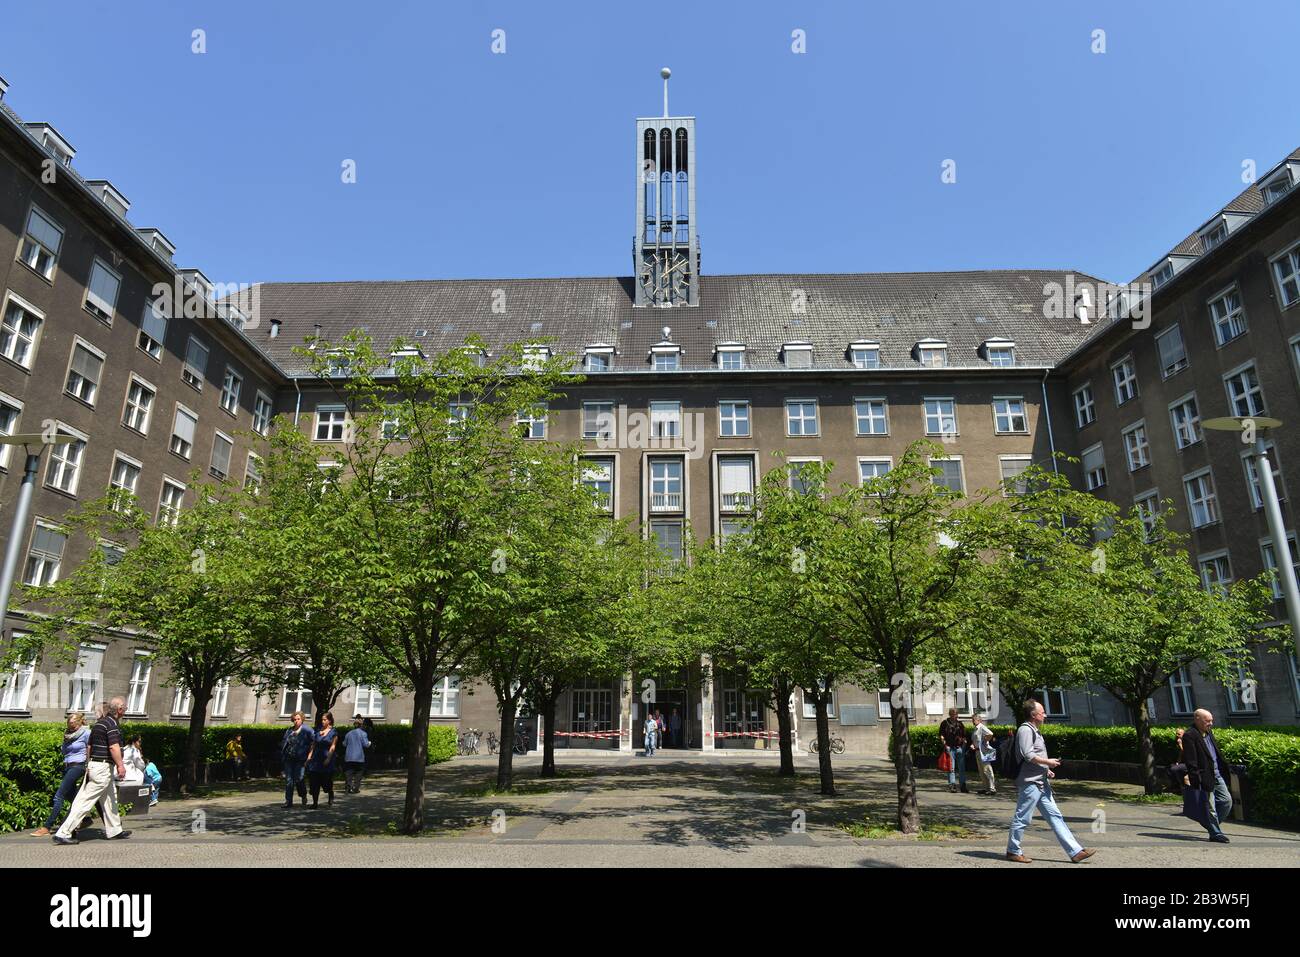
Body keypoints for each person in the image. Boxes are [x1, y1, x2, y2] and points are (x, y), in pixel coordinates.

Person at [1005, 698, 1095, 864]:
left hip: (1040, 782)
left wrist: (1046, 770)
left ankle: (1075, 851)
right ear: (1033, 715)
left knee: (1055, 816)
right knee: (1022, 817)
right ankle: (1012, 850)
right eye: (1042, 712)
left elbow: (1034, 756)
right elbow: (1028, 754)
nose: (1045, 714)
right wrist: (1048, 762)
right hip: (1030, 783)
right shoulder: (1026, 730)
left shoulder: (1035, 730)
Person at [52, 697, 131, 845]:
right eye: (125, 708)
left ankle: (115, 830)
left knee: (110, 800)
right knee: (85, 802)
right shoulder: (111, 724)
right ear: (119, 710)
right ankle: (64, 832)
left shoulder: (99, 724)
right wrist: (121, 765)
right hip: (103, 768)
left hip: (96, 766)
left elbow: (89, 747)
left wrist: (89, 765)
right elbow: (113, 747)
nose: (125, 711)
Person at [33, 713, 90, 837]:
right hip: (67, 766)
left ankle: (47, 827)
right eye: (69, 725)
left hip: (78, 766)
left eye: (74, 726)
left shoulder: (86, 733)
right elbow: (64, 751)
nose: (71, 728)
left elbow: (89, 748)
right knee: (73, 798)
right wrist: (66, 741)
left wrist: (88, 765)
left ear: (80, 723)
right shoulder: (68, 735)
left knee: (59, 796)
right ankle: (85, 819)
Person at [1182, 708, 1233, 843]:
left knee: (1226, 801)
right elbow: (1191, 760)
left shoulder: (1208, 732)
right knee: (1210, 808)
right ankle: (1215, 833)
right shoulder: (1190, 735)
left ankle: (1210, 824)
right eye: (1207, 721)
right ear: (1197, 719)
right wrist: (1195, 780)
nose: (1210, 723)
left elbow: (1215, 753)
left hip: (1217, 774)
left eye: (1211, 720)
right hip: (1204, 777)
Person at [281, 710, 313, 809]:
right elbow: (284, 743)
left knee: (299, 778)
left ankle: (303, 795)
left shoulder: (307, 730)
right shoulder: (289, 730)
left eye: (298, 719)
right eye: (294, 719)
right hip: (289, 759)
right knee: (289, 780)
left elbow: (313, 743)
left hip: (301, 759)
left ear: (302, 719)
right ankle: (288, 801)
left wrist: (309, 757)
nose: (296, 721)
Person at [306, 711, 338, 807]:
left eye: (325, 720)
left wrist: (328, 758)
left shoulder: (333, 732)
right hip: (316, 760)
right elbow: (313, 745)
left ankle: (330, 792)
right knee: (314, 782)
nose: (323, 721)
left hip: (326, 759)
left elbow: (333, 746)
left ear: (329, 720)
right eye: (322, 720)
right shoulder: (318, 731)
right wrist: (309, 757)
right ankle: (315, 803)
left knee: (326, 783)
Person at [938, 707, 969, 793]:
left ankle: (963, 785)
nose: (955, 716)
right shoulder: (945, 723)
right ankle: (952, 785)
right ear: (950, 714)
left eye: (956, 714)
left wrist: (964, 743)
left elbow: (964, 735)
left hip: (959, 748)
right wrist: (944, 744)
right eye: (954, 714)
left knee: (962, 768)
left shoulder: (960, 724)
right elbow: (941, 735)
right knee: (951, 768)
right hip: (950, 748)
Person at [969, 710, 997, 795]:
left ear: (979, 720)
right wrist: (974, 745)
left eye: (974, 719)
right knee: (981, 771)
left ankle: (992, 788)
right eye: (972, 719)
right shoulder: (975, 729)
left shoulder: (981, 727)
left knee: (987, 769)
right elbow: (976, 740)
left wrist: (985, 742)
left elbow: (990, 734)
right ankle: (986, 788)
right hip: (977, 751)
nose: (973, 721)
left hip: (983, 752)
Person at [344, 715, 372, 793]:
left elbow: (344, 744)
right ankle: (356, 788)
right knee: (358, 773)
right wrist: (370, 742)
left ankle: (348, 787)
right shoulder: (363, 734)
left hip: (349, 757)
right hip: (359, 757)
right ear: (361, 725)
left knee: (348, 773)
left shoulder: (348, 734)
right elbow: (366, 744)